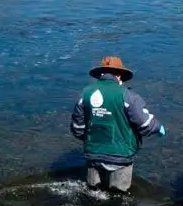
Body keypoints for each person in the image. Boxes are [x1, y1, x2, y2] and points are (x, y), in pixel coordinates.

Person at [70, 56, 165, 193]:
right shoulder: (129, 96)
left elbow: (77, 128)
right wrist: (158, 127)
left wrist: (91, 139)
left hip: (93, 155)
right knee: (118, 197)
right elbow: (145, 124)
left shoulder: (85, 94)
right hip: (120, 157)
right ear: (119, 75)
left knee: (93, 193)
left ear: (101, 75)